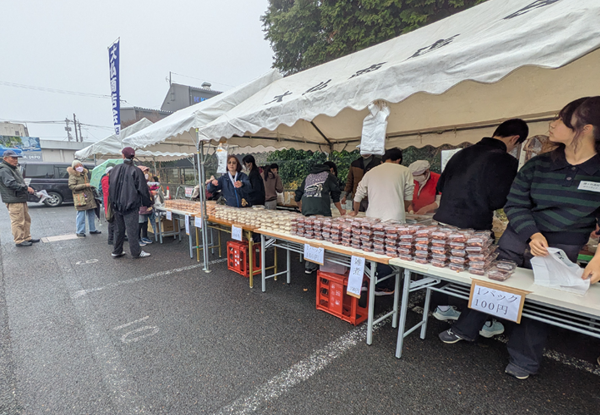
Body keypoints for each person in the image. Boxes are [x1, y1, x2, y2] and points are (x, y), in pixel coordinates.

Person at [439, 97, 600, 380]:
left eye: (561, 119)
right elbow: (515, 202)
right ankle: (466, 328)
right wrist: (531, 233)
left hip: (562, 247)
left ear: (585, 128)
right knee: (492, 284)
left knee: (540, 301)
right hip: (518, 238)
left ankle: (524, 359)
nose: (552, 124)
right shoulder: (539, 164)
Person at [432, 119, 529, 335]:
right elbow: (499, 199)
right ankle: (482, 323)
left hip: (443, 221)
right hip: (474, 225)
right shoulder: (505, 160)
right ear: (515, 139)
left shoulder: (461, 153)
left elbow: (441, 185)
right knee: (480, 271)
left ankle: (442, 308)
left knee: (441, 264)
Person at [295, 163, 345, 274]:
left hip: (307, 211)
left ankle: (309, 265)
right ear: (331, 169)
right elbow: (335, 195)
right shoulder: (329, 175)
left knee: (310, 237)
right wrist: (341, 210)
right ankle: (326, 265)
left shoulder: (309, 176)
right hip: (321, 210)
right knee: (323, 236)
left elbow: (298, 194)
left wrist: (301, 207)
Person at [109, 147, 153, 258]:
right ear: (134, 156)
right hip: (131, 204)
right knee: (132, 229)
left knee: (119, 229)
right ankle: (136, 252)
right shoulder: (136, 170)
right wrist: (148, 203)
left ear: (123, 155)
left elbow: (111, 187)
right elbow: (143, 189)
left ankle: (117, 251)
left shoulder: (115, 169)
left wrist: (112, 202)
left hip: (116, 204)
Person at [349, 148, 414, 223]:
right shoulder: (405, 171)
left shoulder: (371, 172)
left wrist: (355, 211)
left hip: (373, 216)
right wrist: (401, 209)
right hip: (395, 217)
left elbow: (357, 197)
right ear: (398, 160)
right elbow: (408, 198)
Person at [0, 150, 39, 247]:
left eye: (16, 158)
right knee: (18, 221)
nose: (16, 160)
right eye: (13, 158)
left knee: (26, 219)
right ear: (5, 158)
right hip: (14, 199)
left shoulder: (13, 168)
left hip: (20, 198)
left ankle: (26, 237)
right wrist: (26, 188)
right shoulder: (4, 169)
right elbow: (11, 183)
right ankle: (19, 240)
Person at [68, 160, 101, 238]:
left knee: (91, 214)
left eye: (80, 165)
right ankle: (80, 231)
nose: (79, 167)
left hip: (89, 196)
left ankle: (92, 229)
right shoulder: (73, 176)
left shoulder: (85, 174)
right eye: (77, 166)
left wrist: (92, 185)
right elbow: (72, 187)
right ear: (74, 167)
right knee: (81, 215)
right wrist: (85, 185)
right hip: (80, 197)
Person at [137, 165, 154, 246]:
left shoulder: (145, 182)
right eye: (145, 172)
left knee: (145, 221)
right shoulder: (138, 182)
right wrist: (151, 193)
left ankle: (144, 236)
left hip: (145, 205)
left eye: (147, 172)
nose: (146, 174)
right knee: (140, 222)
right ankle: (138, 238)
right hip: (140, 205)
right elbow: (142, 193)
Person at [101, 164, 116, 245]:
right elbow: (108, 191)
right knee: (111, 219)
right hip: (109, 202)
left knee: (116, 220)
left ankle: (117, 236)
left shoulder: (110, 179)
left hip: (111, 200)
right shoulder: (106, 179)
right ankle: (111, 238)